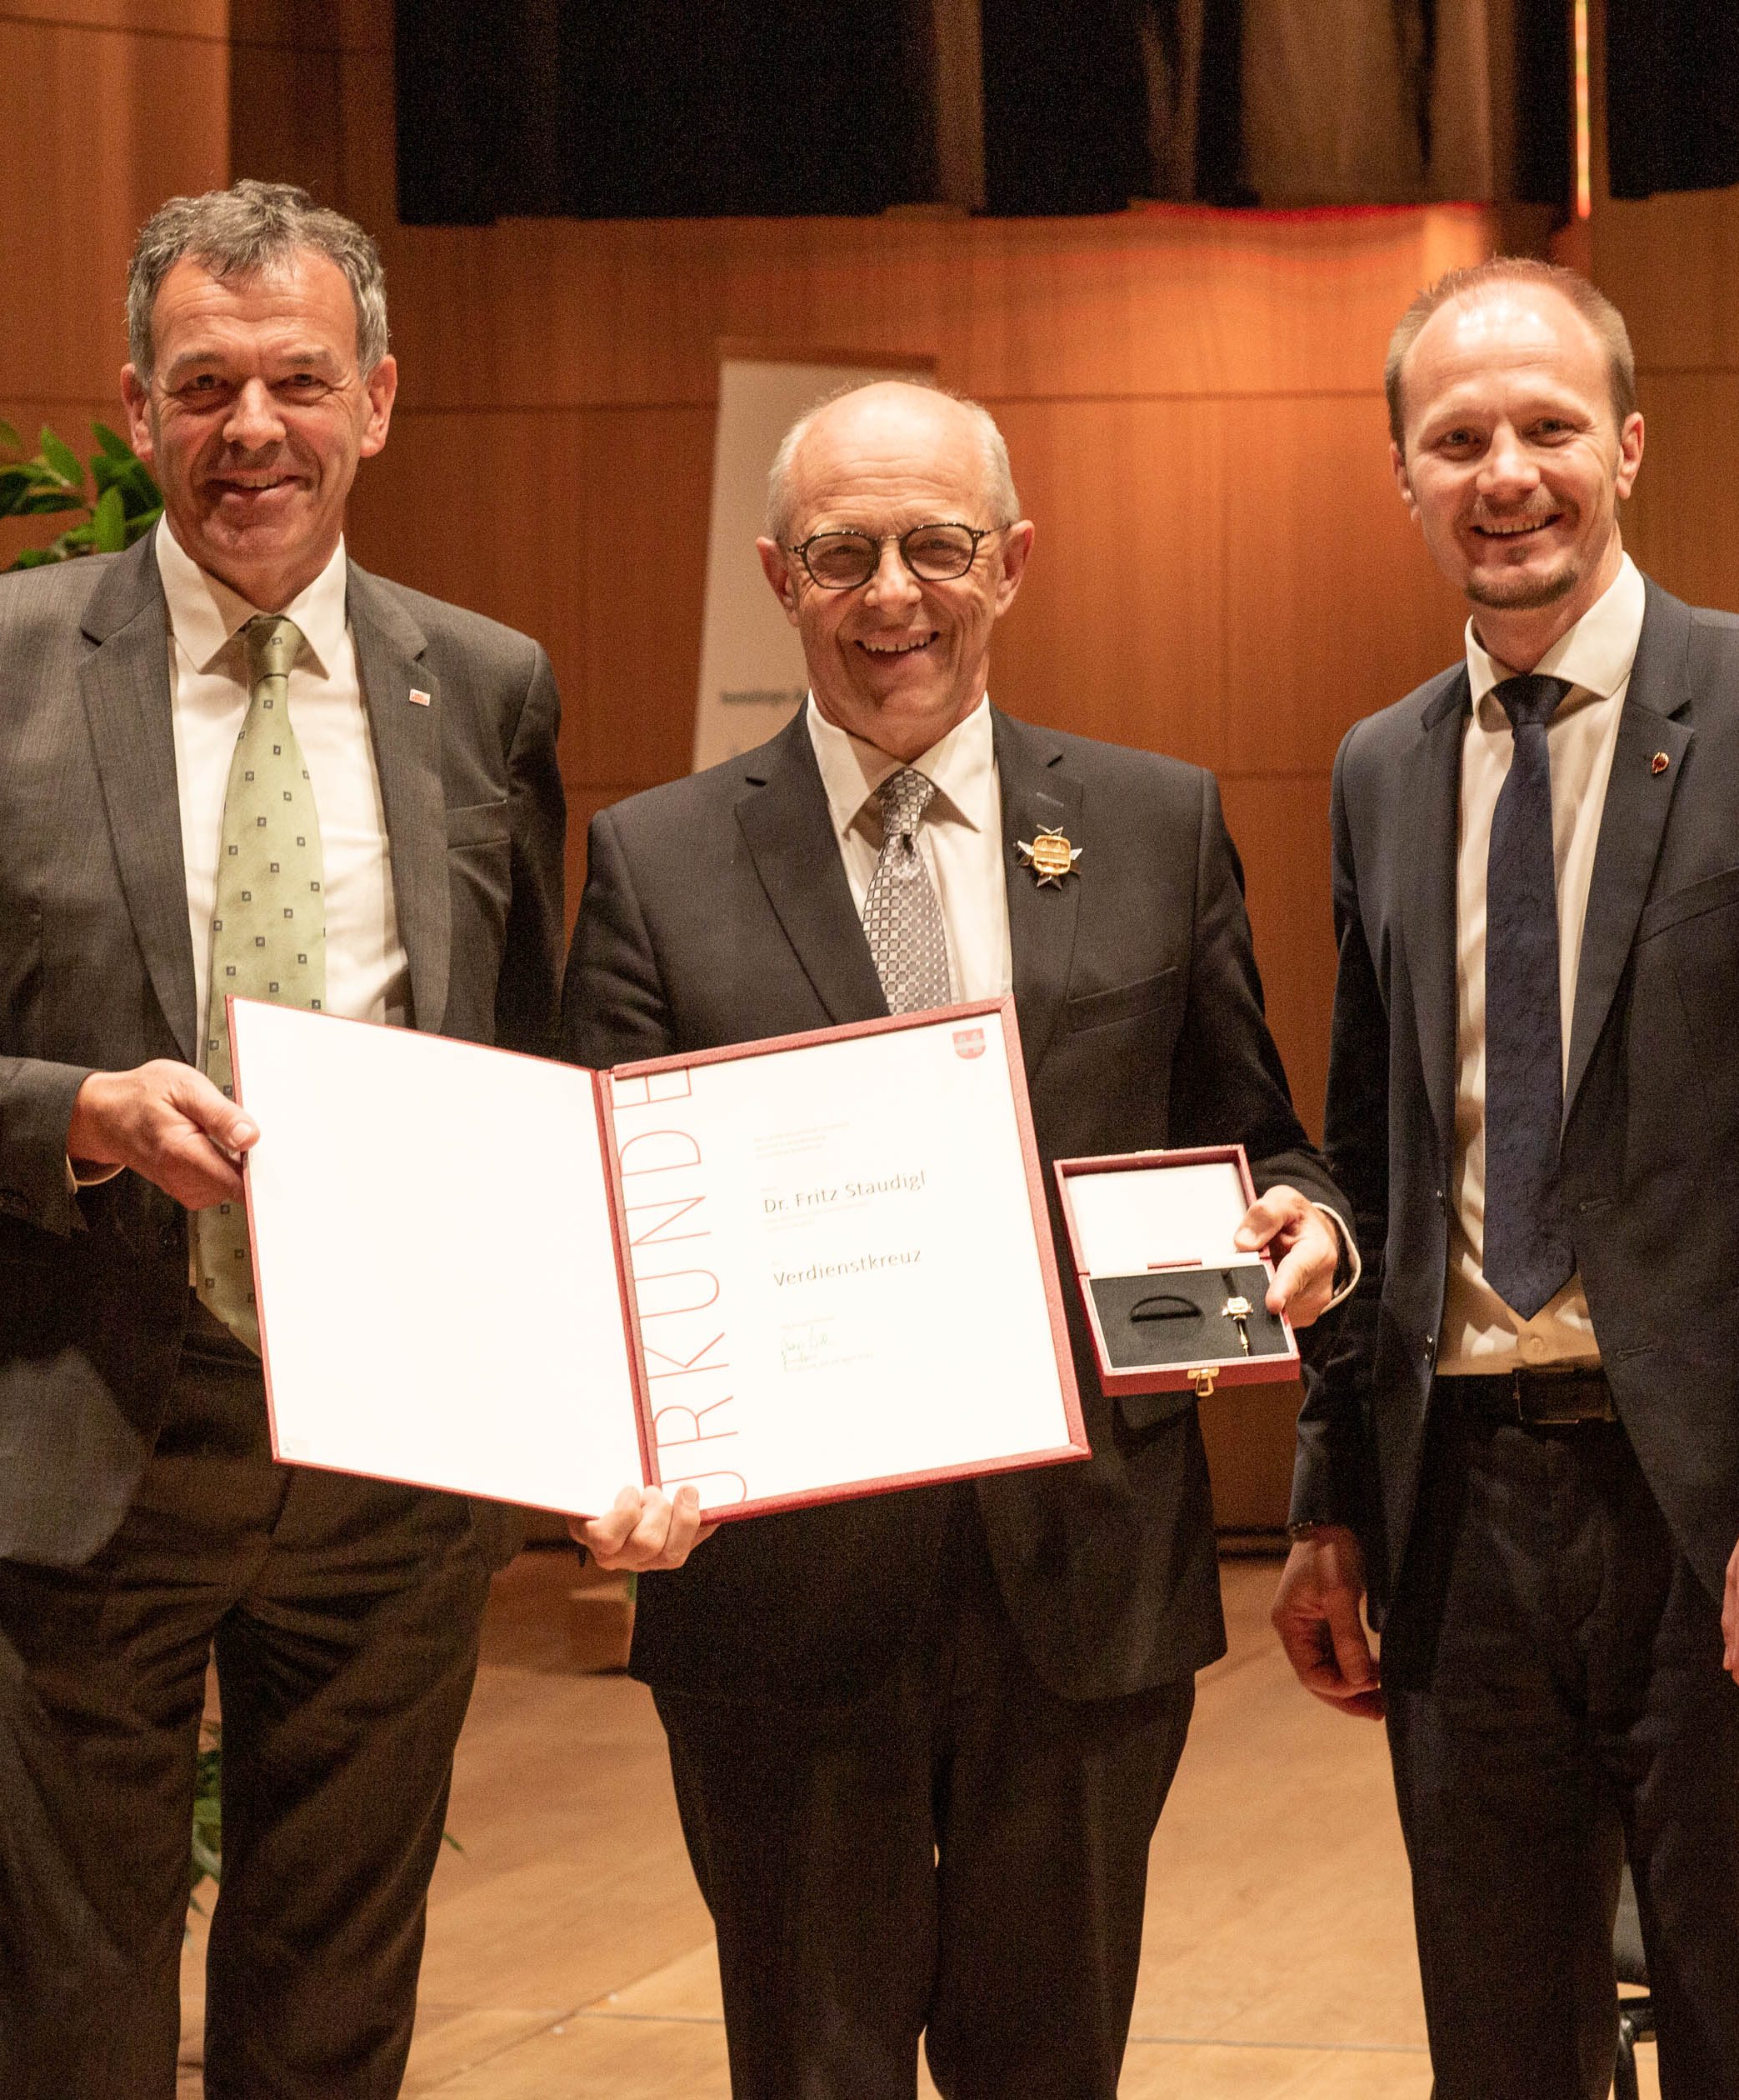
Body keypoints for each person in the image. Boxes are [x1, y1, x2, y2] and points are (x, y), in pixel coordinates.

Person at [0, 180, 694, 2098]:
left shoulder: (488, 687)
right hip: (98, 1418)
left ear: (380, 398)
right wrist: (79, 1114)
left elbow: (532, 1076)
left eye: (299, 380)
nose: (253, 429)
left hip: (393, 1449)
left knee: (335, 2013)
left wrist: (581, 1416)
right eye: (205, 385)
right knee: (73, 2016)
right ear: (137, 409)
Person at [561, 377, 1351, 2100]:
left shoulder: (1150, 824)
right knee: (812, 2071)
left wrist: (1312, 1226)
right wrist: (600, 1456)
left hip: (1083, 1584)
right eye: (844, 554)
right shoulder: (656, 861)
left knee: (1051, 2068)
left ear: (1014, 562)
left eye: (937, 545)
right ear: (778, 576)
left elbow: (1266, 1137)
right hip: (782, 1602)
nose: (893, 596)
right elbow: (599, 1231)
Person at [1271, 257, 1739, 2098]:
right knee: (1501, 2057)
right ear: (1403, 477)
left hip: (1729, 1518)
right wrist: (1331, 1500)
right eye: (1456, 440)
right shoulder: (1378, 770)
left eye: (1549, 427)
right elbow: (1371, 1174)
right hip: (1460, 1524)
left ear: (1631, 446)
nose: (1506, 473)